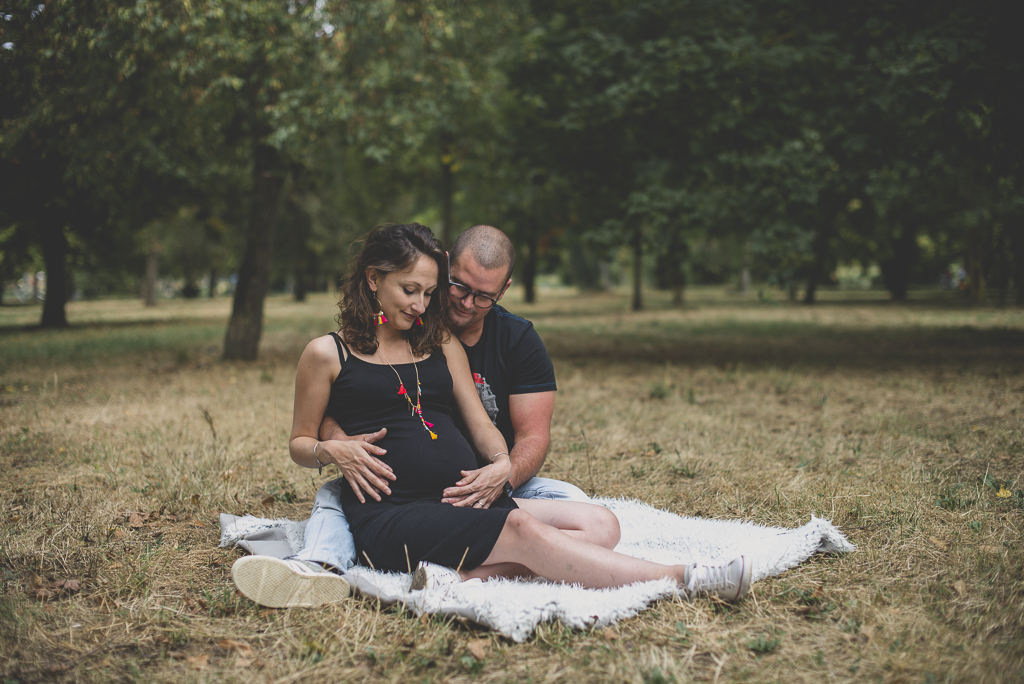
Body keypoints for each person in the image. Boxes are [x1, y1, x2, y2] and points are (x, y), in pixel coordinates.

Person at [231, 223, 751, 608]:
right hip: (394, 510)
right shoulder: (327, 354)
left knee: (599, 522)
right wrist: (332, 450)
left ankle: (460, 579)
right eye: (409, 290)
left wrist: (501, 463)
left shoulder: (438, 343)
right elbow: (299, 443)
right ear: (373, 279)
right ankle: (686, 577)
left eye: (430, 293)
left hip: (465, 492)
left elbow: (481, 424)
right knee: (529, 535)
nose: (421, 304)